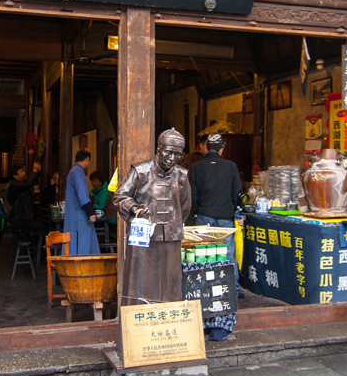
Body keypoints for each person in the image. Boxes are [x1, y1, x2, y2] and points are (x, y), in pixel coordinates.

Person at [114, 128, 191, 308]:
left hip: (171, 236)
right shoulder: (140, 171)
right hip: (143, 236)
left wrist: (174, 222)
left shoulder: (182, 176)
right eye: (168, 152)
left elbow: (185, 207)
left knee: (169, 282)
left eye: (177, 154)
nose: (172, 158)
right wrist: (134, 208)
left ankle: (167, 319)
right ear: (158, 150)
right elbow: (120, 196)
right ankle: (138, 320)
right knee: (140, 280)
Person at [188, 134, 244, 341]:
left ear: (205, 148)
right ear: (221, 149)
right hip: (225, 217)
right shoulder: (231, 166)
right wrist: (235, 212)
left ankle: (206, 291)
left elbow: (192, 195)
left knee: (206, 257)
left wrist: (192, 217)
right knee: (228, 256)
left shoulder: (196, 168)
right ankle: (233, 291)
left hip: (204, 216)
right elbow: (237, 193)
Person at [64, 150, 100, 255]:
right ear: (87, 159)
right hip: (79, 216)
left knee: (72, 244)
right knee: (82, 245)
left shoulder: (72, 171)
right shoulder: (78, 172)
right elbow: (82, 195)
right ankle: (82, 270)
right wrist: (90, 213)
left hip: (72, 215)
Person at [7, 162, 47, 239]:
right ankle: (36, 248)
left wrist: (37, 172)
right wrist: (35, 170)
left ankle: (33, 246)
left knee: (41, 225)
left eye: (23, 171)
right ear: (15, 176)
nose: (23, 173)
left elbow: (31, 182)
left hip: (22, 218)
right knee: (42, 227)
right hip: (19, 219)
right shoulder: (14, 185)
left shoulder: (20, 183)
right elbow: (28, 184)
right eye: (20, 172)